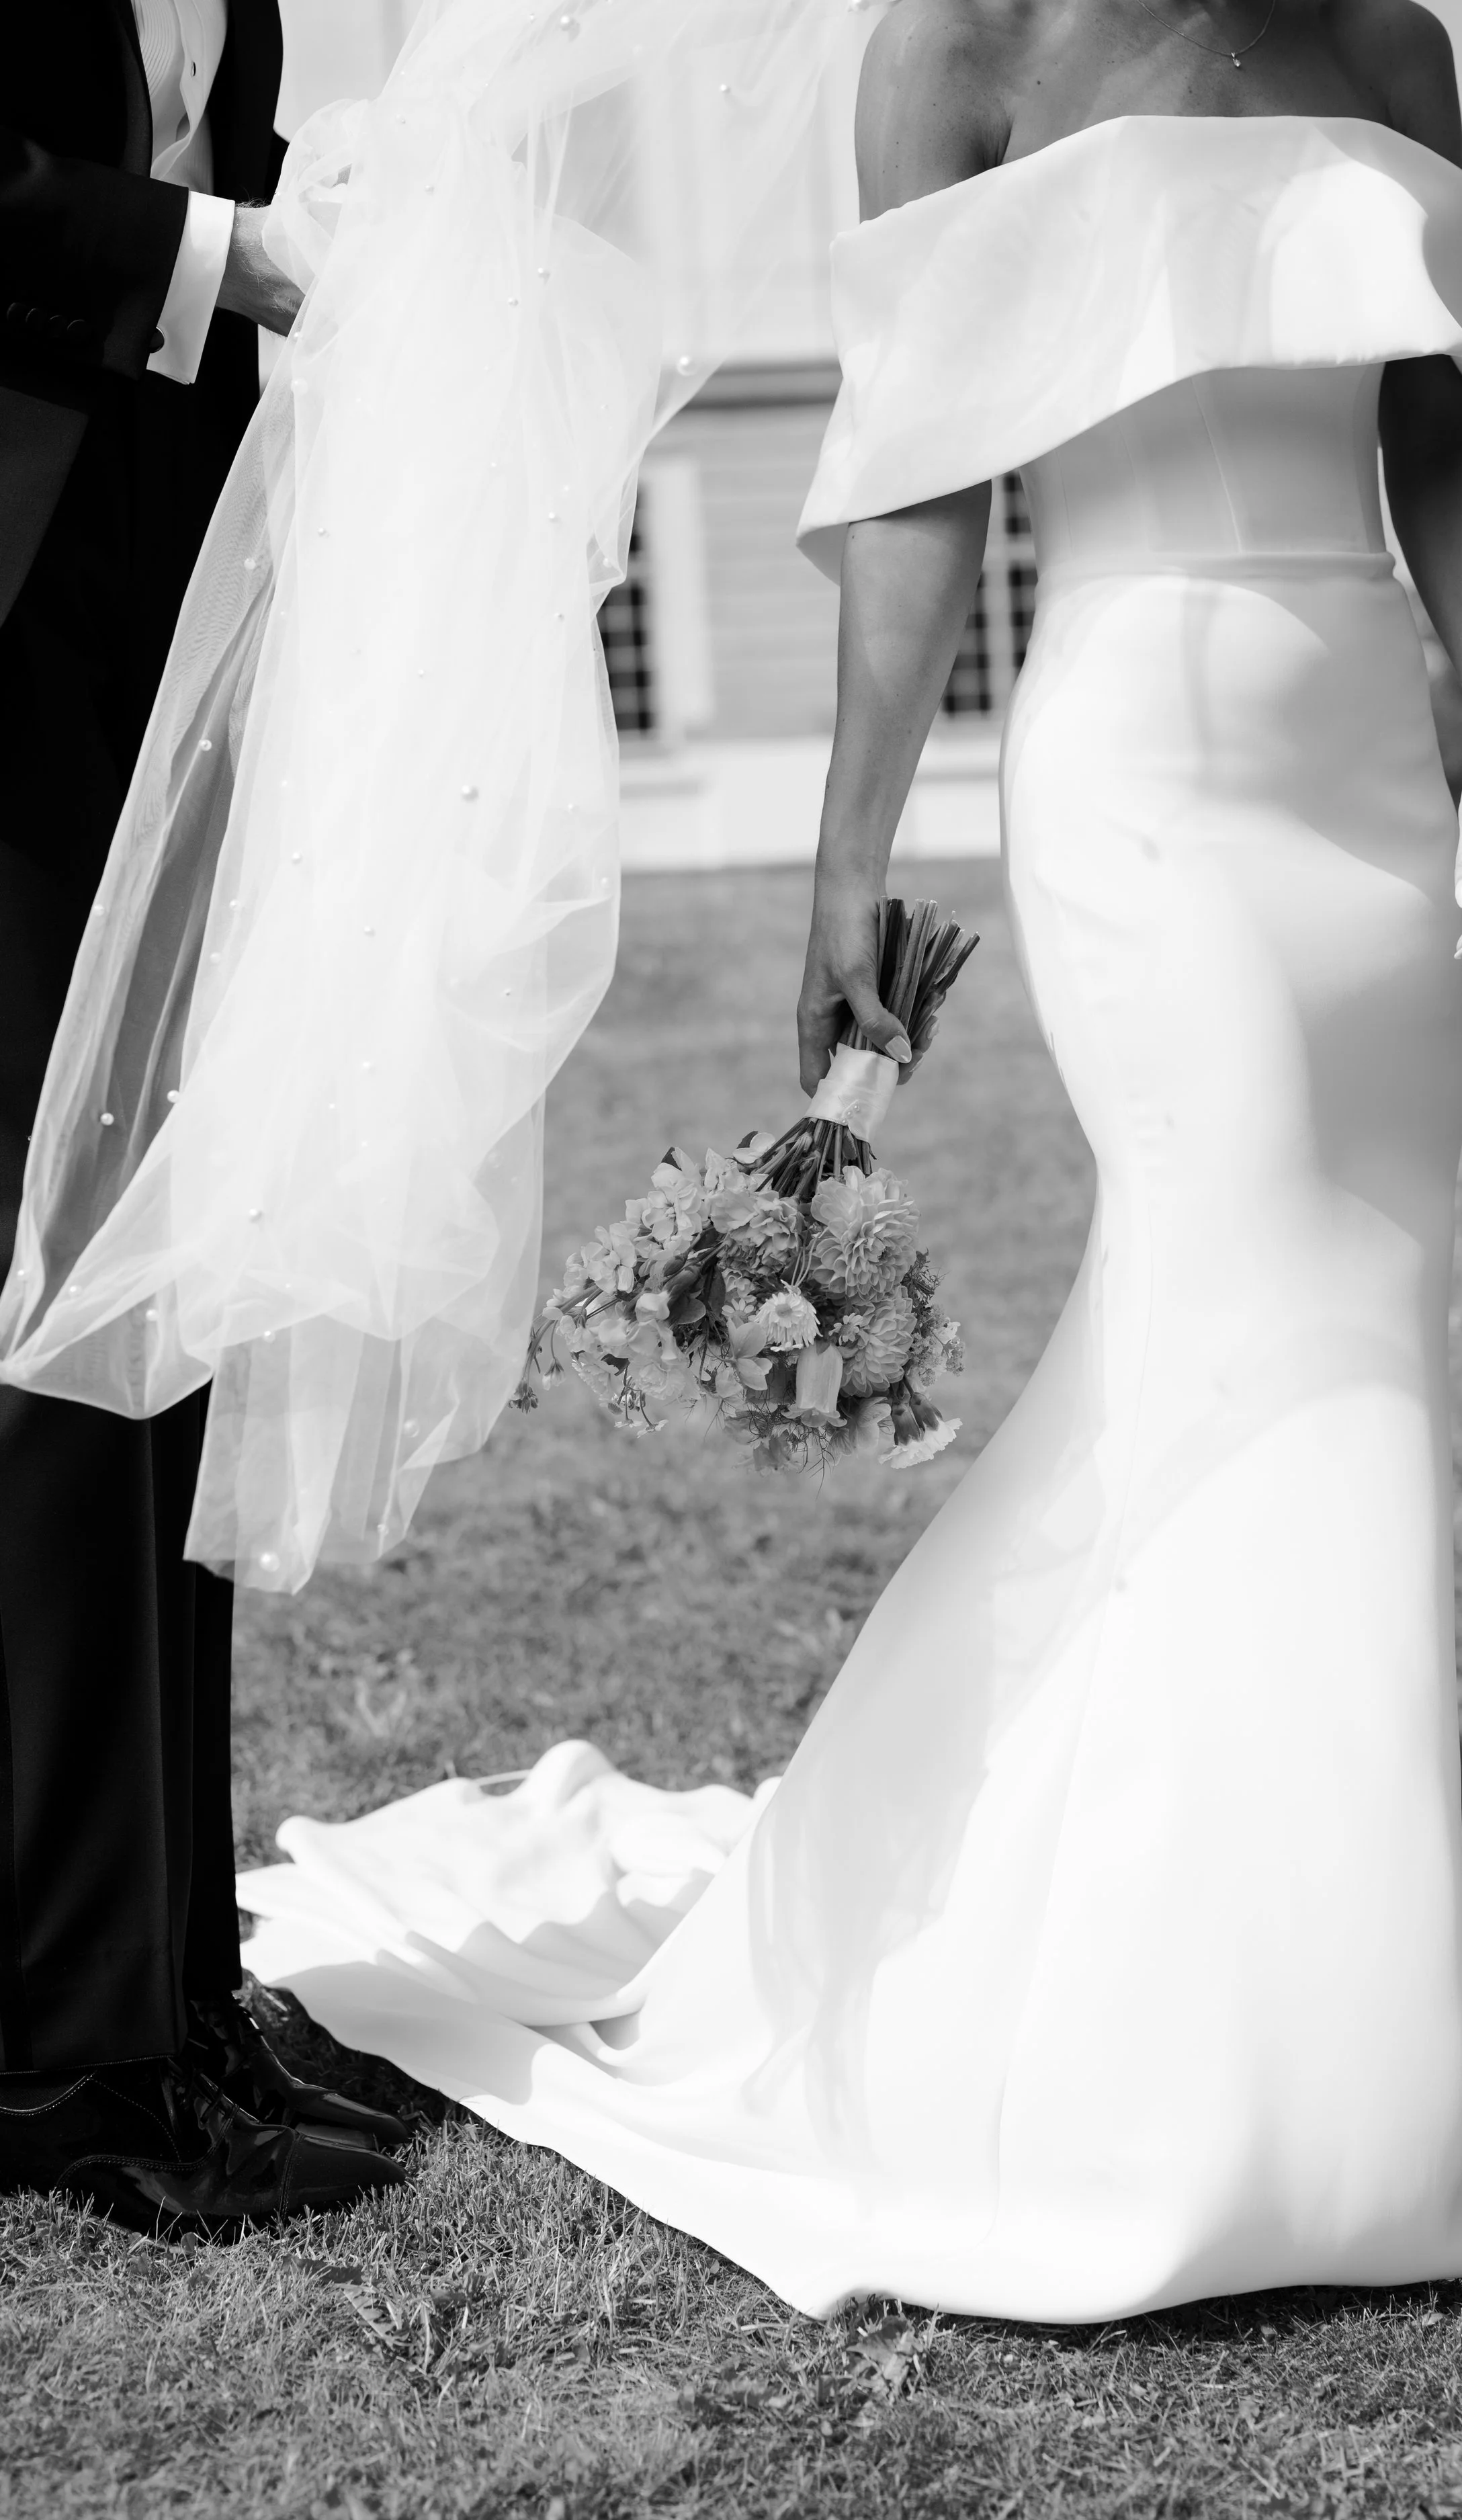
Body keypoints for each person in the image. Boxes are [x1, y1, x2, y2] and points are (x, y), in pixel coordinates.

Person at [231, 0, 1462, 2321]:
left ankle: (1308, 2021)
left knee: (1355, 1341)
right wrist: (851, 857)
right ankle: (1198, 2063)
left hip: (1370, 757)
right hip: (1138, 759)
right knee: (1246, 1315)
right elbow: (918, 481)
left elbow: (1430, 423)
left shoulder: (1397, 37)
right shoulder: (959, 44)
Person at [0, 0, 407, 2233]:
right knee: (49, 1323)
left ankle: (173, 1988)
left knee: (175, 1285)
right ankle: (65, 2059)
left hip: (181, 599)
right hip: (13, 623)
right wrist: (228, 256)